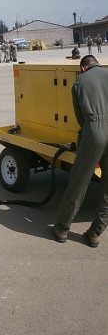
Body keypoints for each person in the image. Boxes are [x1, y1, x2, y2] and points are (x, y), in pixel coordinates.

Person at [51, 55, 108, 248]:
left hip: (94, 132)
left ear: (83, 68)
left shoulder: (80, 82)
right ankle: (95, 233)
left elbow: (81, 118)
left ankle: (62, 228)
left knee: (79, 182)